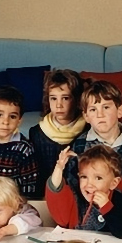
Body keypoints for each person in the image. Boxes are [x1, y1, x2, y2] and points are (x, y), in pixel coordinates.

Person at [65, 80, 122, 200]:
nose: (100, 114)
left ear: (119, 111)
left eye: (106, 107)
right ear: (86, 116)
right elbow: (73, 185)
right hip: (91, 212)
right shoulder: (80, 146)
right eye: (93, 109)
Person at [46, 145, 122, 240]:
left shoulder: (119, 200)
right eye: (84, 177)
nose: (89, 184)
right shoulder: (75, 196)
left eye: (98, 178)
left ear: (113, 183)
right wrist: (59, 168)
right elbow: (56, 192)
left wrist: (107, 208)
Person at [28, 69, 88, 197]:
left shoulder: (88, 131)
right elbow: (37, 175)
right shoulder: (36, 133)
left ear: (77, 100)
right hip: (46, 197)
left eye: (65, 98)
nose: (58, 105)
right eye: (53, 98)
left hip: (79, 198)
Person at [0, 86, 38, 197]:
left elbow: (30, 184)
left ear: (19, 120)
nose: (5, 122)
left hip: (14, 204)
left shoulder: (24, 149)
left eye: (13, 116)